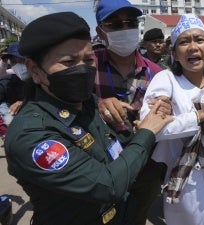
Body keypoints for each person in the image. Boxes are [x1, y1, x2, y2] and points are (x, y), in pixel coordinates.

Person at [4, 11, 172, 225]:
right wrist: (147, 133)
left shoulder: (88, 103)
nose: (82, 69)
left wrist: (141, 123)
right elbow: (107, 186)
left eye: (87, 59)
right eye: (68, 61)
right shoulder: (32, 134)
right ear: (35, 70)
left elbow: (113, 149)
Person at [140, 13, 204, 225]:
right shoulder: (166, 80)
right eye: (184, 42)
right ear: (175, 53)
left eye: (199, 40)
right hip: (186, 181)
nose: (193, 47)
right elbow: (151, 129)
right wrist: (200, 115)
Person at [93, 0, 169, 224]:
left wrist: (166, 110)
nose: (125, 29)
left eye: (130, 23)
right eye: (115, 25)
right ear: (100, 31)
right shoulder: (89, 65)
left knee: (137, 215)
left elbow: (169, 114)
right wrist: (96, 103)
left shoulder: (156, 72)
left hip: (147, 164)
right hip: (102, 165)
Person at [0, 42, 27, 130]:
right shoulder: (7, 82)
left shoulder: (43, 80)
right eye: (14, 62)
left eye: (22, 60)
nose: (18, 65)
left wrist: (23, 102)